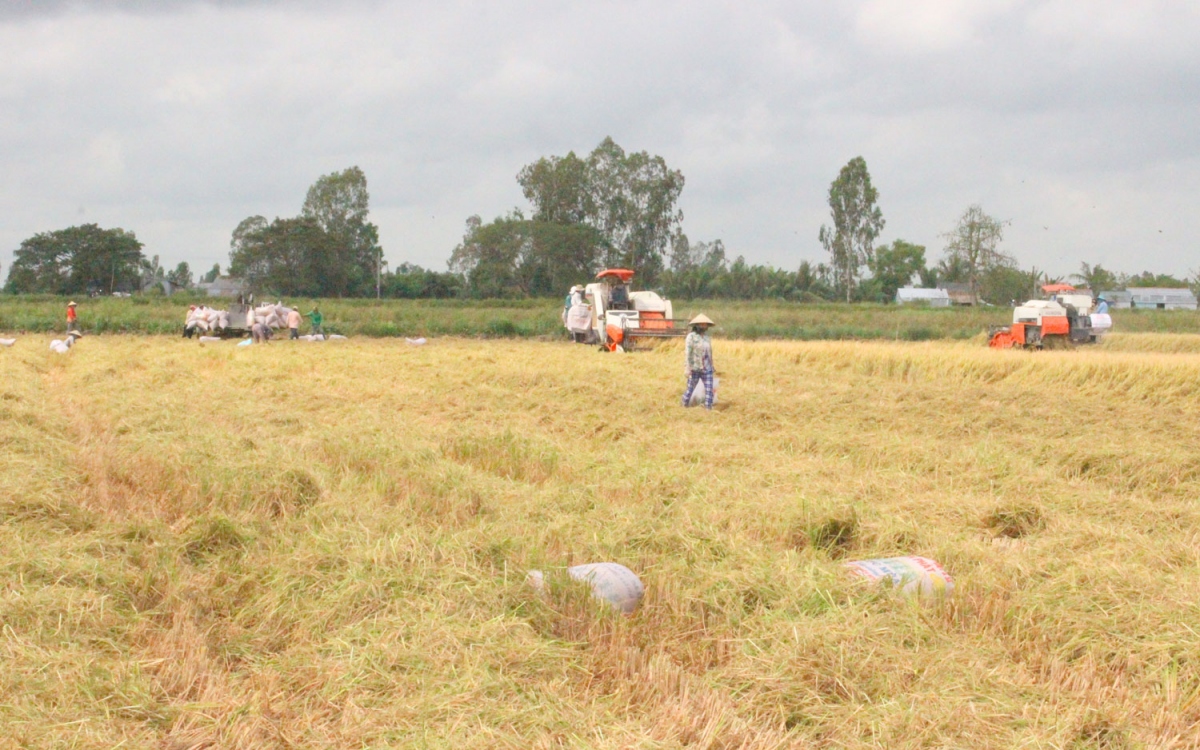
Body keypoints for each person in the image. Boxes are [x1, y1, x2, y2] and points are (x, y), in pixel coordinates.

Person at [681, 314, 716, 410]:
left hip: (707, 368)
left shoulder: (706, 338)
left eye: (705, 324)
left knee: (709, 390)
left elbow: (709, 352)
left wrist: (712, 365)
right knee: (690, 389)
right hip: (695, 367)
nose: (704, 326)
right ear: (696, 325)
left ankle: (708, 409)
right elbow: (688, 353)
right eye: (702, 324)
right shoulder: (691, 337)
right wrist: (687, 368)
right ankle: (684, 405)